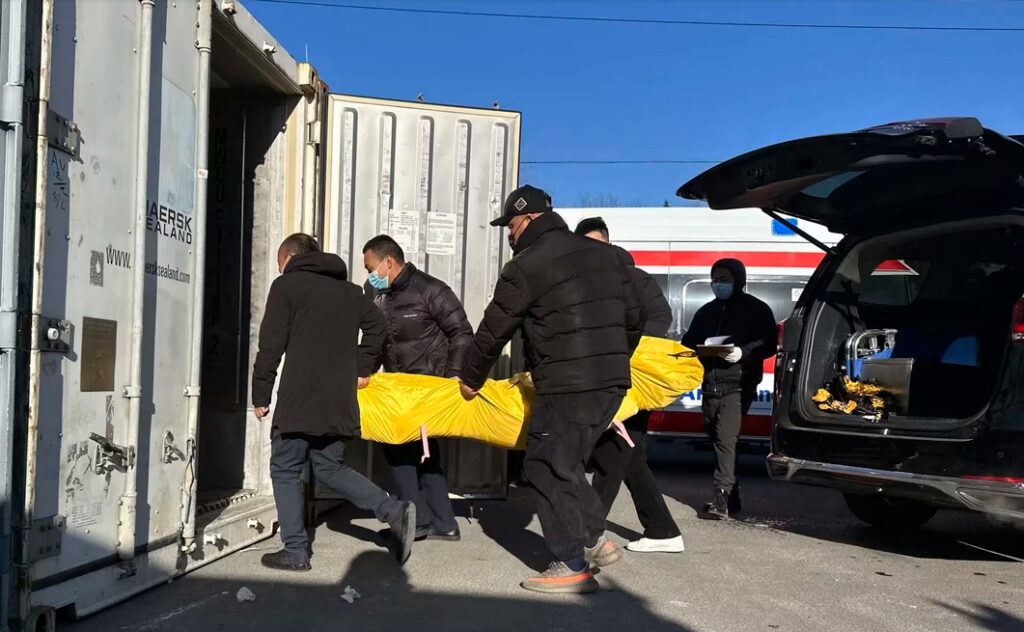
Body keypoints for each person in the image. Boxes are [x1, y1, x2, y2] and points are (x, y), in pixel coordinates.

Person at [458, 185, 642, 595]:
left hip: (567, 383)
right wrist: (612, 359)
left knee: (544, 464)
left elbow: (494, 329)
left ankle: (572, 563)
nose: (508, 235)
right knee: (568, 462)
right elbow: (636, 314)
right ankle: (595, 539)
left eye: (509, 226)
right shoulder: (610, 256)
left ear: (525, 220)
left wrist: (471, 378)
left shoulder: (527, 265)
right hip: (610, 382)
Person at [252, 233, 416, 572]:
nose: (278, 268)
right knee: (329, 467)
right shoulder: (350, 293)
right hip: (338, 401)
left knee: (284, 467)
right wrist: (362, 367)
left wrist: (261, 394)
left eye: (278, 262)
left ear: (290, 258)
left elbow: (270, 345)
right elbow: (378, 327)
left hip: (298, 401)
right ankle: (392, 510)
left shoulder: (287, 287)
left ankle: (295, 550)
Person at [575, 217, 685, 554]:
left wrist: (625, 354)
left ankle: (586, 534)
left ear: (608, 243)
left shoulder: (634, 277)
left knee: (615, 452)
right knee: (626, 455)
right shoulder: (583, 284)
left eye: (597, 244)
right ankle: (662, 530)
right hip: (598, 381)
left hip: (631, 383)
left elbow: (659, 319)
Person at [362, 234, 472, 542]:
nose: (369, 275)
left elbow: (462, 333)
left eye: (370, 267)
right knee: (424, 455)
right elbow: (379, 345)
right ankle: (443, 522)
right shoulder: (383, 298)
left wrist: (452, 377)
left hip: (427, 390)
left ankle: (418, 521)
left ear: (388, 262)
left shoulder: (431, 290)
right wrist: (365, 374)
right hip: (400, 394)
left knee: (400, 453)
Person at [681, 259, 777, 520]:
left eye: (724, 279)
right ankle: (732, 494)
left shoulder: (757, 309)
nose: (718, 284)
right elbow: (688, 341)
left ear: (739, 280)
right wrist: (699, 349)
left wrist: (742, 352)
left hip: (739, 384)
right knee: (715, 437)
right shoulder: (706, 312)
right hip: (710, 383)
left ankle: (721, 497)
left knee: (726, 437)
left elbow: (768, 343)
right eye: (715, 279)